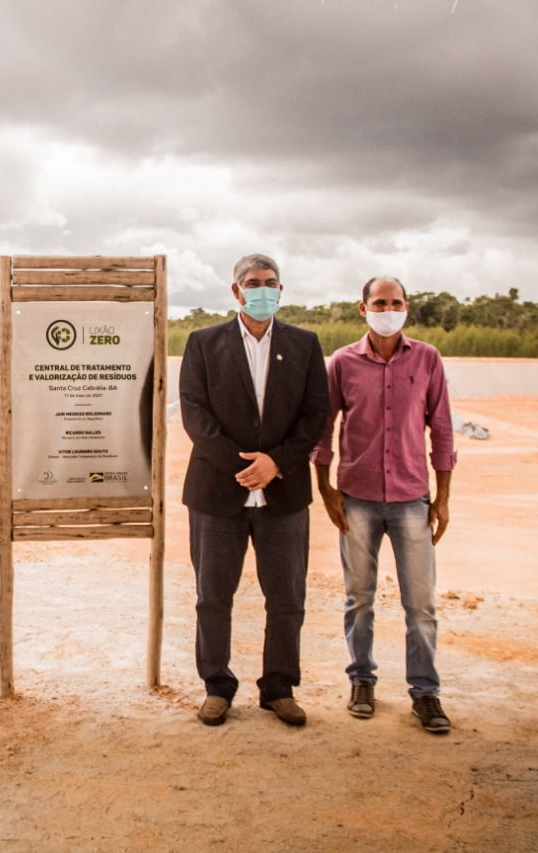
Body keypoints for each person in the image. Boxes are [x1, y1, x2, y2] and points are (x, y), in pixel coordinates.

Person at [180, 253, 329, 727]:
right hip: (216, 493)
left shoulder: (304, 345)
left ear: (281, 290)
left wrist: (275, 464)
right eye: (253, 282)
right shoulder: (203, 343)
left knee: (286, 597)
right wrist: (244, 468)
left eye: (271, 282)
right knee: (212, 597)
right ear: (236, 290)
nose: (262, 289)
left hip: (283, 494)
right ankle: (217, 687)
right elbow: (195, 414)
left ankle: (279, 688)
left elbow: (315, 416)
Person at [311, 276, 456, 735]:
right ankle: (362, 680)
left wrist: (444, 498)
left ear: (407, 308)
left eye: (395, 302)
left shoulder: (428, 359)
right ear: (363, 309)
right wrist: (325, 487)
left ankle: (425, 692)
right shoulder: (343, 362)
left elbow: (444, 429)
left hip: (413, 497)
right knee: (359, 599)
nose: (387, 308)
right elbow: (324, 426)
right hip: (356, 496)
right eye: (379, 302)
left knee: (421, 604)